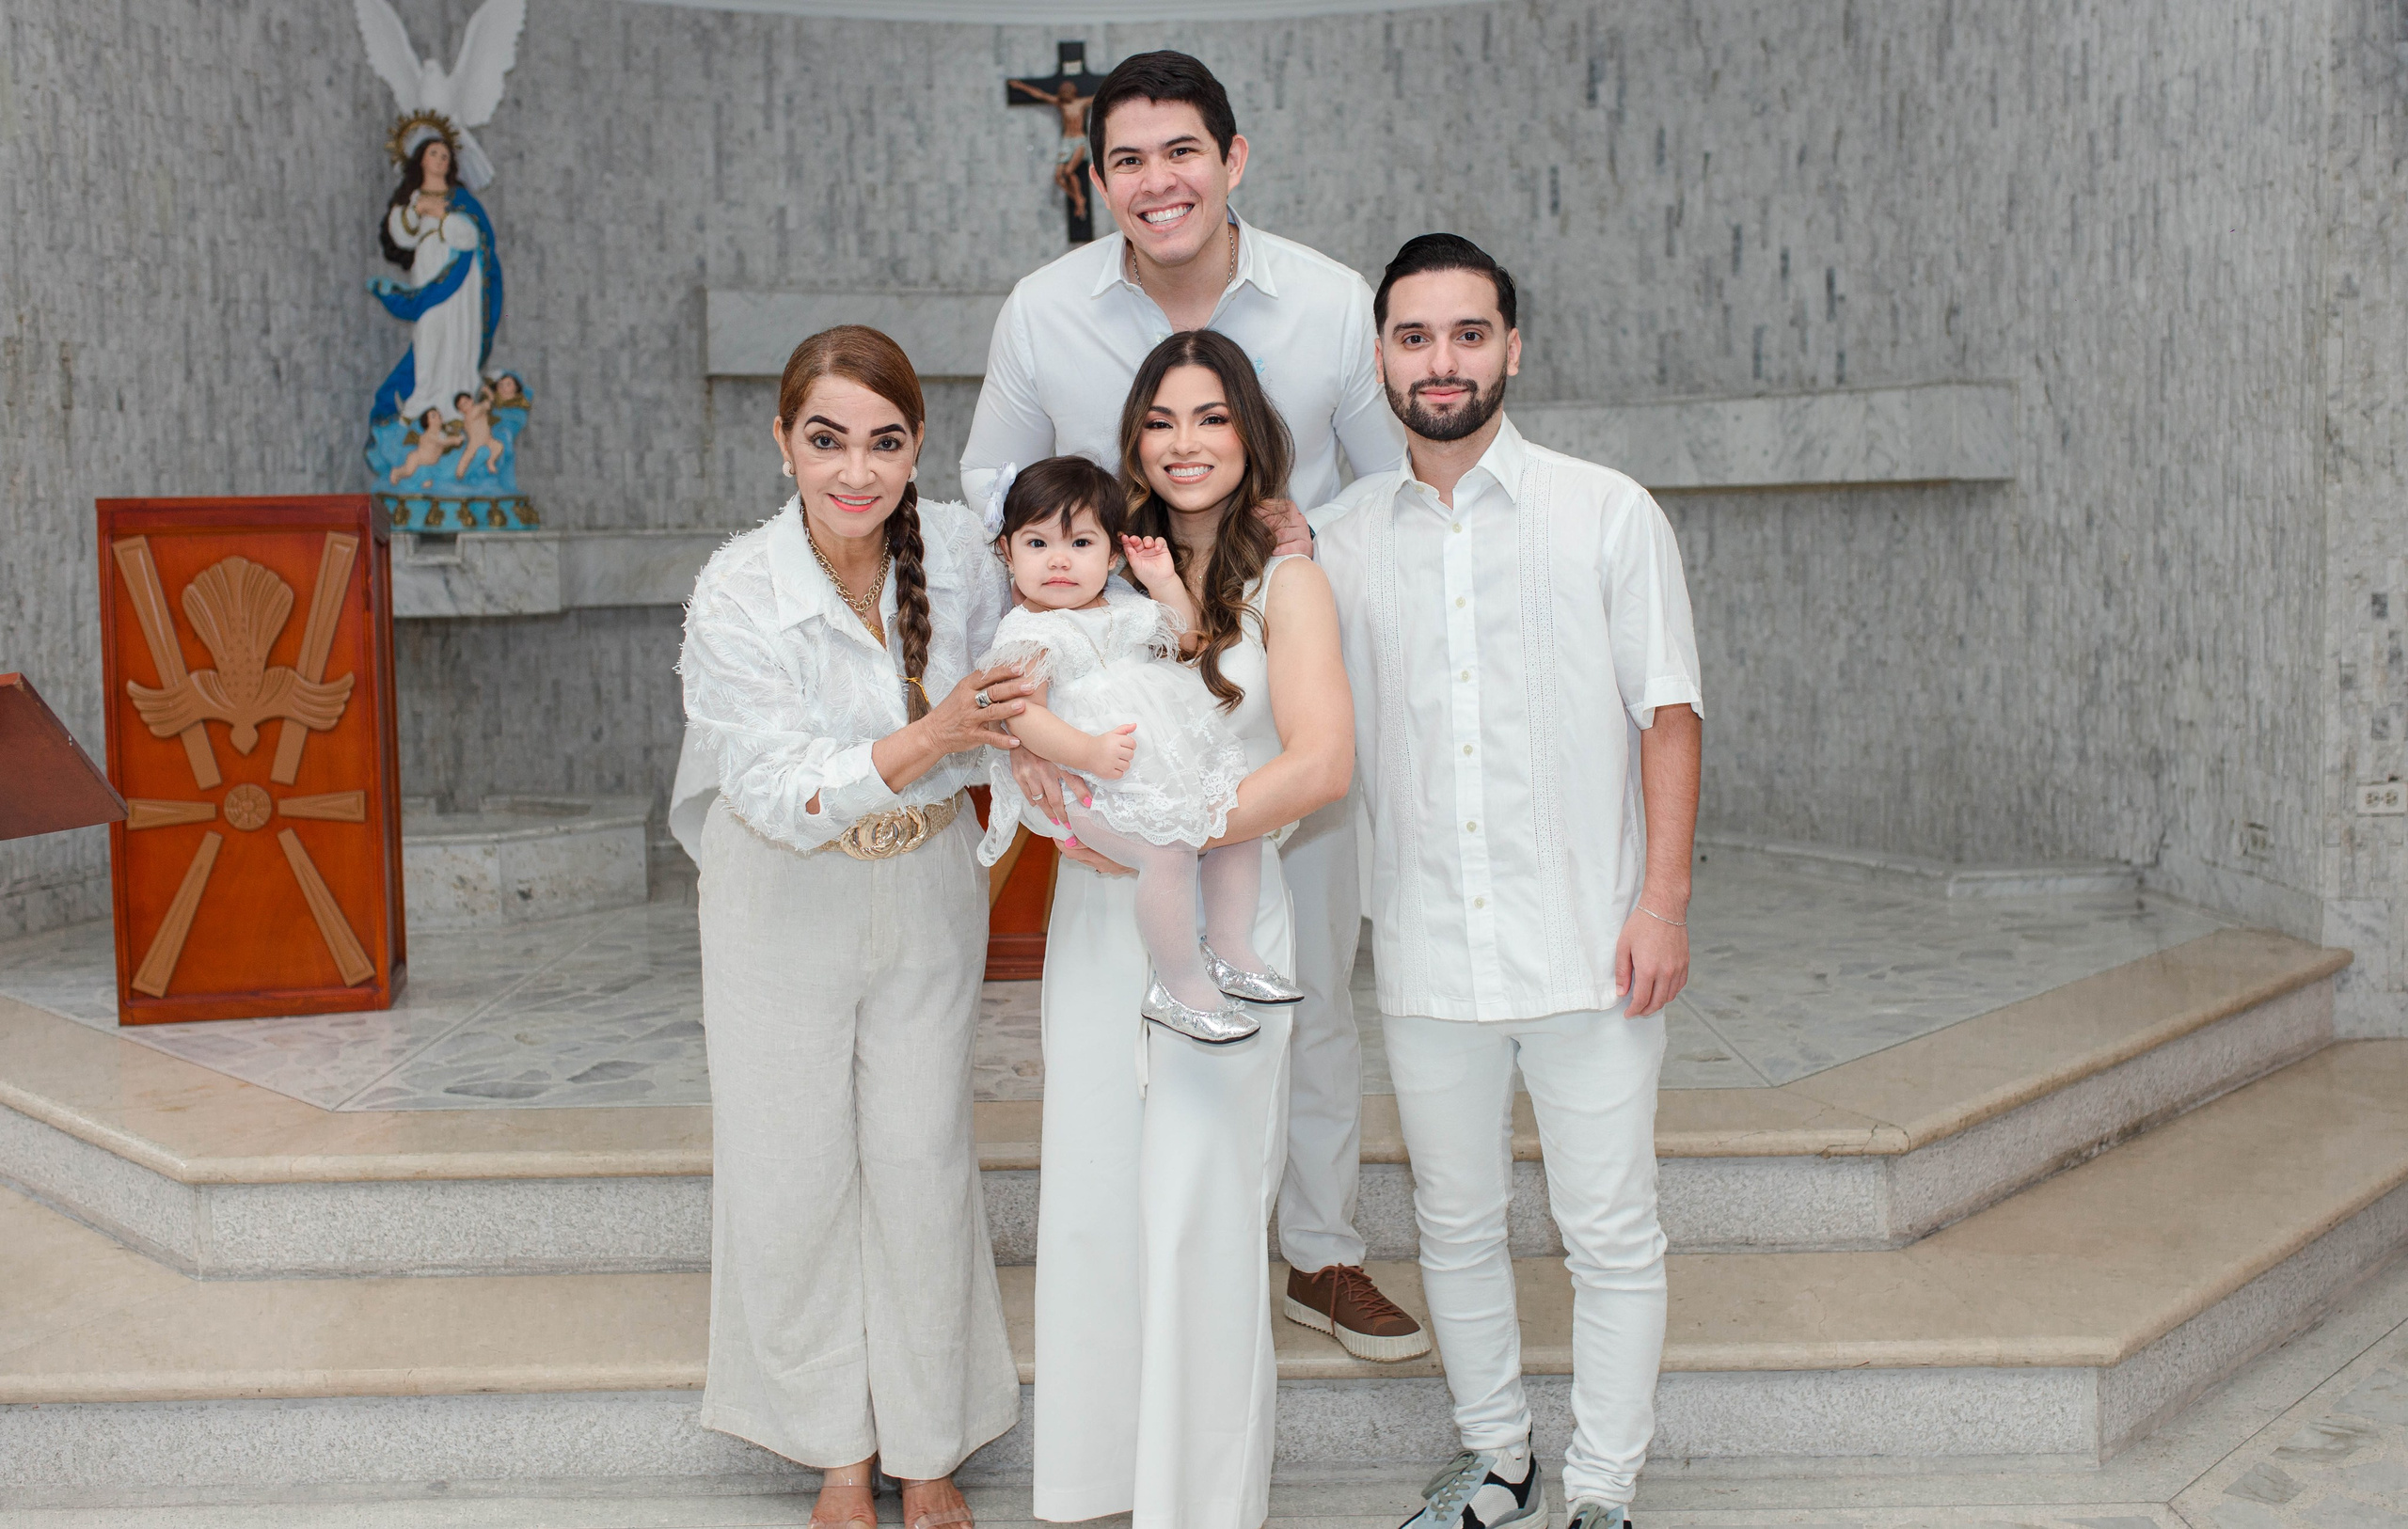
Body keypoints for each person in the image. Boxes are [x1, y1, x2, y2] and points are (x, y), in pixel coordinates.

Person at [964, 46, 1426, 1366]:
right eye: (1126, 160)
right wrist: (1006, 710)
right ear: (1093, 175)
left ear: (1235, 160)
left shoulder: (1334, 303)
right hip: (1123, 697)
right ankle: (1149, 1271)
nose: (1157, 182)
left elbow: (1393, 495)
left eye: (1183, 153)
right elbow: (988, 503)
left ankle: (1321, 1249)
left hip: (1283, 692)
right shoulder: (1045, 311)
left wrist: (1303, 540)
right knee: (1136, 999)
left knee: (1307, 974)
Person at [1313, 236, 1703, 1529]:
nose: (1442, 362)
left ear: (1513, 348)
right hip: (1427, 950)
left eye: (1468, 334)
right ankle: (1498, 1459)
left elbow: (1670, 715)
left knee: (1611, 1230)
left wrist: (1662, 904)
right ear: (1381, 355)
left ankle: (1601, 1490)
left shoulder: (1607, 511)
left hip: (1595, 945)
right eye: (1415, 337)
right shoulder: (1338, 538)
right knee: (1458, 1224)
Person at [673, 324, 1040, 1529]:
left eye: (885, 444)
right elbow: (776, 791)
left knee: (922, 1160)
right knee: (791, 1168)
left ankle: (928, 1447)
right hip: (780, 896)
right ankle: (835, 1451)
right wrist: (931, 740)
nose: (856, 472)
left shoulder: (960, 560)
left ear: (917, 446)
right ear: (783, 443)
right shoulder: (739, 587)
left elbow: (1056, 644)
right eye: (826, 441)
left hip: (927, 891)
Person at [1027, 331, 1351, 1528]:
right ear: (1133, 445)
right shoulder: (1093, 577)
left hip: (1222, 920)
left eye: (1210, 418)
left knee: (1202, 1216)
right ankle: (1098, 1488)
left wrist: (1171, 817)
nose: (1185, 443)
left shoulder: (1289, 581)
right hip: (1098, 919)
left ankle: (1200, 1506)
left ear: (1249, 433)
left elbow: (1322, 761)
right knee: (1101, 1201)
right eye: (1160, 422)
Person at [973, 455, 1293, 1043]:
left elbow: (1191, 638)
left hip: (1157, 767)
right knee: (1167, 856)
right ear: (1007, 553)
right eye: (1038, 542)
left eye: (1081, 541)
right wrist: (1088, 752)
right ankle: (1179, 984)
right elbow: (1024, 715)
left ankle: (1230, 947)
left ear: (1113, 555)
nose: (1060, 559)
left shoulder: (1125, 604)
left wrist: (1163, 580)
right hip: (1090, 784)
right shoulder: (1027, 631)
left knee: (1236, 824)